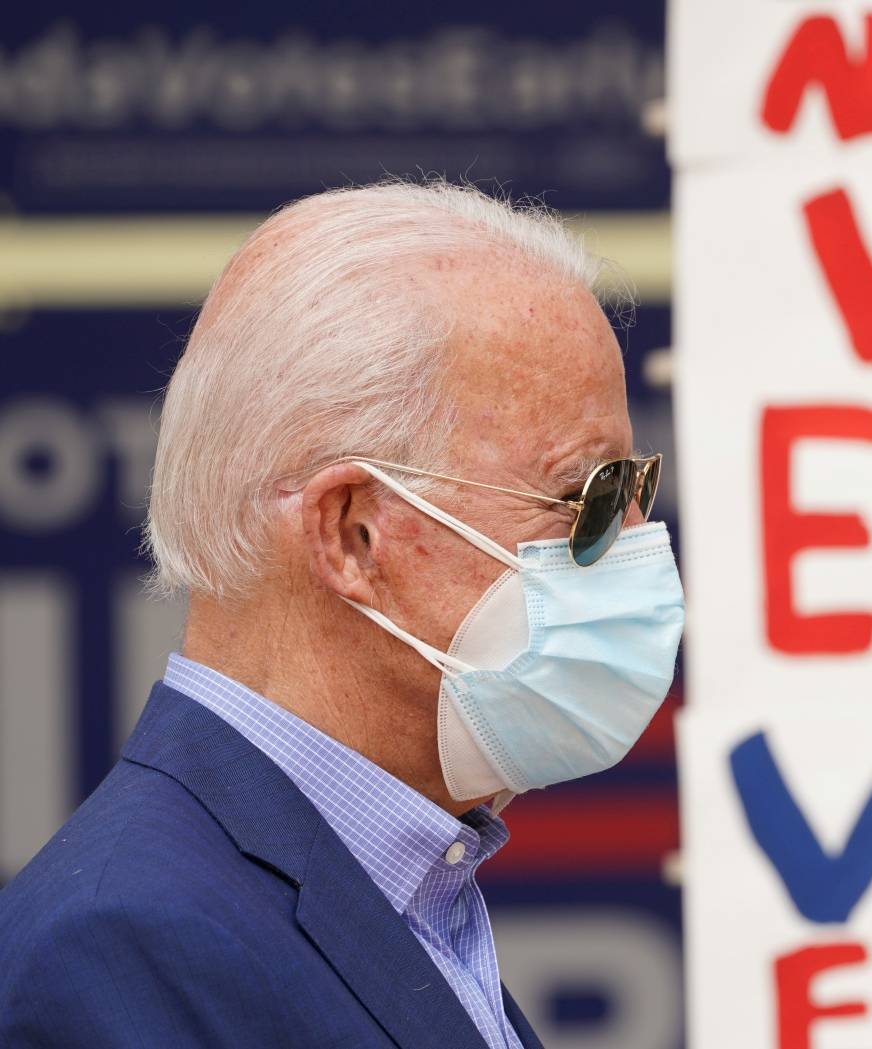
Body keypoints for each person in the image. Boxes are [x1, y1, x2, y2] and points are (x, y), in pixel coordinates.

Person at [0, 179, 684, 1048]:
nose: (633, 542)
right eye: (584, 495)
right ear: (353, 533)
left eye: (637, 489)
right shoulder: (118, 949)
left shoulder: (413, 891)